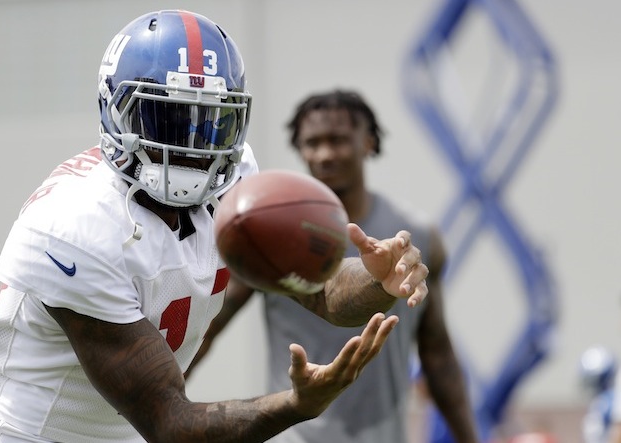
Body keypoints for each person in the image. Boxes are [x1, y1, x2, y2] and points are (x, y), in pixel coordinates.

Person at [0, 11, 431, 443]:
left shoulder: (236, 183)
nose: (188, 143)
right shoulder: (75, 226)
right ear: (115, 111)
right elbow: (171, 424)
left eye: (209, 120)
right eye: (168, 116)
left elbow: (320, 290)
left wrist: (379, 279)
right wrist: (296, 405)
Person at [187, 89, 479, 442]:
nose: (325, 154)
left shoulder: (414, 236)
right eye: (312, 143)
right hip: (295, 433)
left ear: (368, 142)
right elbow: (205, 330)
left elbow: (438, 354)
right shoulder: (270, 238)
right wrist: (158, 410)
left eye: (338, 140)